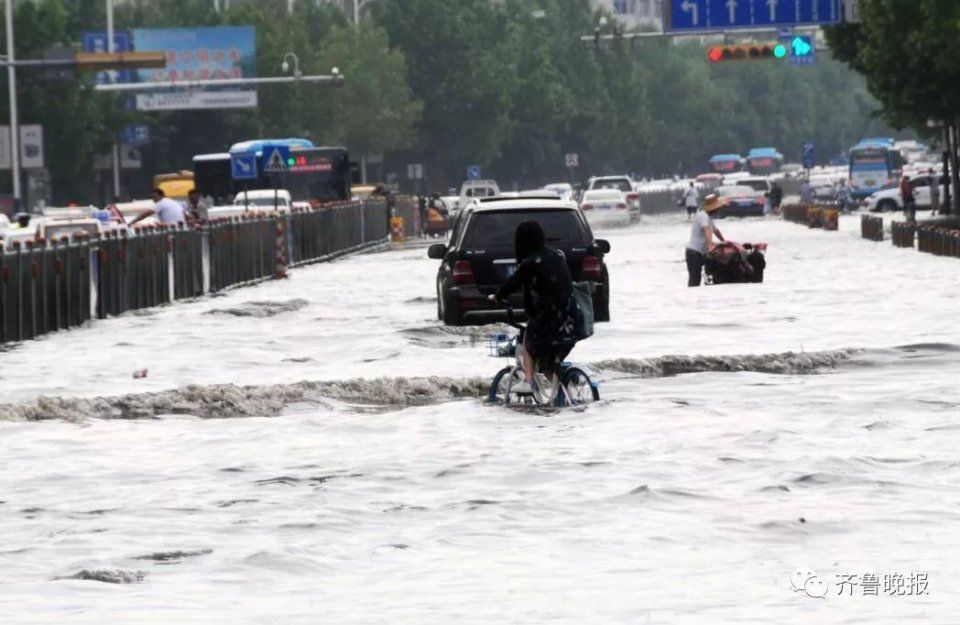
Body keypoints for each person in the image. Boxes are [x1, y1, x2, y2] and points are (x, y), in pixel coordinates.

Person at [487, 221, 584, 394]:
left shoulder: (530, 263)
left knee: (529, 340)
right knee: (548, 362)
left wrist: (497, 296)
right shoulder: (557, 255)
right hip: (573, 321)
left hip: (551, 321)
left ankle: (528, 380)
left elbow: (513, 283)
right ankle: (566, 393)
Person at [685, 194, 725, 287]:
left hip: (702, 253)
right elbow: (706, 229)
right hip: (694, 252)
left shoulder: (709, 217)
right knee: (695, 280)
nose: (718, 209)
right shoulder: (702, 216)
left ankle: (705, 296)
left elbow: (715, 230)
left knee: (709, 276)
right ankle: (692, 296)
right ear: (713, 208)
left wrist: (724, 241)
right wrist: (710, 244)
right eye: (717, 207)